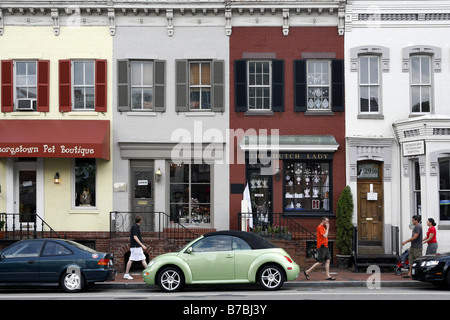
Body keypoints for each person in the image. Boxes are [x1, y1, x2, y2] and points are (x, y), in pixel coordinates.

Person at [123, 215, 148, 280]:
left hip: (137, 247)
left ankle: (149, 273)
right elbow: (135, 237)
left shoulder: (135, 226)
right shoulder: (135, 227)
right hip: (136, 247)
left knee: (143, 259)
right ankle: (126, 274)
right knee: (131, 259)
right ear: (140, 221)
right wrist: (142, 245)